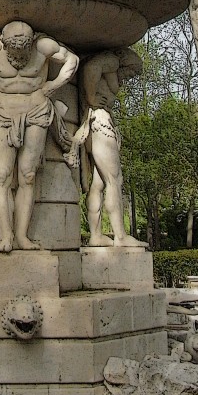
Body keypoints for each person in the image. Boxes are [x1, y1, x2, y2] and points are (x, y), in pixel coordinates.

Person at [0, 21, 79, 253]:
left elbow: (72, 60)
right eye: (14, 50)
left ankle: (22, 236)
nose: (19, 55)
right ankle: (6, 237)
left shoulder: (43, 46)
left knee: (28, 175)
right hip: (3, 111)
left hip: (36, 111)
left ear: (31, 43)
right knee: (2, 175)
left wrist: (55, 84)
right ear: (4, 42)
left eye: (24, 49)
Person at [71, 48, 142, 247]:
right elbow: (91, 68)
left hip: (92, 121)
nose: (130, 77)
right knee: (114, 180)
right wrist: (93, 97)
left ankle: (95, 235)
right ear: (128, 62)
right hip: (100, 121)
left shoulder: (108, 67)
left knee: (98, 183)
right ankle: (120, 236)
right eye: (133, 71)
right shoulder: (112, 60)